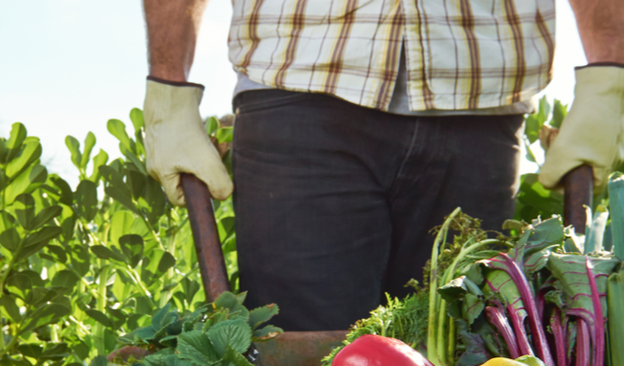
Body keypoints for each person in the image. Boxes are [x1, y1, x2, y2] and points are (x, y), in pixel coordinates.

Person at [141, 0, 623, 331]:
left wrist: (608, 73)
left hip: (479, 100)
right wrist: (168, 88)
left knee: (465, 365)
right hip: (300, 91)